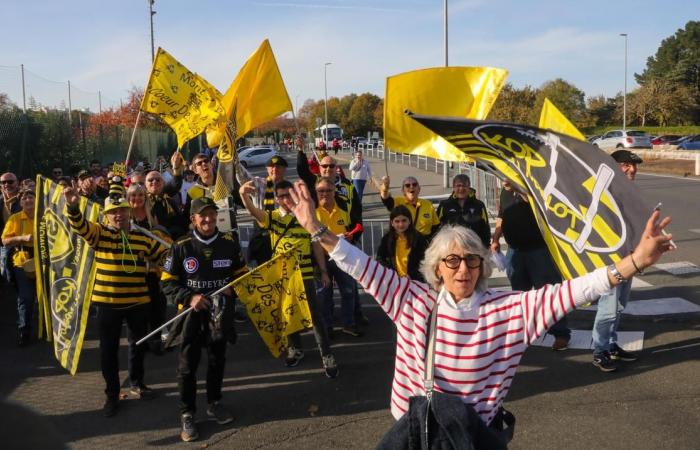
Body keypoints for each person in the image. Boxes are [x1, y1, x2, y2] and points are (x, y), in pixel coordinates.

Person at [285, 179, 674, 444]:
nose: (463, 270)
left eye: (472, 261)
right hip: (413, 435)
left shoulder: (509, 310)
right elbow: (358, 264)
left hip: (475, 439)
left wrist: (635, 262)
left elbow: (574, 291)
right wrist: (315, 227)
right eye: (451, 261)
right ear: (436, 267)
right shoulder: (412, 300)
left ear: (483, 267)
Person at [63, 178, 170, 417]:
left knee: (138, 346)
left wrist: (178, 258)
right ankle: (111, 394)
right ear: (107, 215)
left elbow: (164, 257)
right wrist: (72, 206)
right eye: (113, 212)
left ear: (129, 213)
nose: (119, 215)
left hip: (138, 302)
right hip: (108, 304)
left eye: (122, 210)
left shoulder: (143, 237)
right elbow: (80, 226)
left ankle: (137, 383)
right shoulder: (99, 235)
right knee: (108, 350)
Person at [160, 196, 248, 442]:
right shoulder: (181, 246)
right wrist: (189, 298)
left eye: (212, 214)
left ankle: (214, 402)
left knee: (216, 361)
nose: (208, 219)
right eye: (202, 215)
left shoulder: (229, 243)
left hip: (220, 315)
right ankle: (187, 413)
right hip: (191, 316)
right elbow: (166, 283)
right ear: (193, 219)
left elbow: (243, 276)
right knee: (187, 366)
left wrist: (235, 287)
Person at [239, 179, 339, 377]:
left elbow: (317, 245)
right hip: (283, 277)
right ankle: (296, 348)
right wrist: (243, 195)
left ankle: (327, 355)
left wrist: (323, 270)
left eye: (288, 194)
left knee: (314, 316)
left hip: (305, 273)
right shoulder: (273, 217)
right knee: (287, 314)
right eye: (281, 196)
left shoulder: (307, 216)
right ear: (276, 199)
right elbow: (253, 212)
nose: (285, 199)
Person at [490, 180, 572, 350]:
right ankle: (524, 330)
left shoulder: (528, 186)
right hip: (515, 251)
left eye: (506, 175)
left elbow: (534, 203)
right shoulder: (505, 193)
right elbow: (501, 217)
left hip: (538, 250)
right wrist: (496, 239)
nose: (503, 179)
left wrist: (517, 188)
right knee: (520, 294)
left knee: (549, 292)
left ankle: (560, 333)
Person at [592, 149, 645, 372]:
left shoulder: (627, 191)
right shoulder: (604, 191)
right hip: (609, 261)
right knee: (608, 309)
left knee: (619, 306)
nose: (632, 169)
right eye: (626, 165)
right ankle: (599, 350)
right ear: (613, 166)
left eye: (633, 165)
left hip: (628, 258)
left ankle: (611, 344)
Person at [314, 178, 363, 337]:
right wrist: (322, 270)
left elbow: (351, 229)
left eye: (328, 190)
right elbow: (314, 243)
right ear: (316, 193)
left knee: (349, 292)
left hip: (342, 258)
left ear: (334, 192)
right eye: (321, 191)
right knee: (324, 297)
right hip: (322, 259)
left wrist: (349, 239)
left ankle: (348, 324)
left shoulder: (343, 210)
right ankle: (327, 327)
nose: (325, 194)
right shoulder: (313, 214)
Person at [1, 189, 36, 346]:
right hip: (23, 263)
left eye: (31, 197)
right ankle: (24, 331)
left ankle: (50, 330)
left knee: (49, 298)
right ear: (21, 202)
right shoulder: (15, 219)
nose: (28, 200)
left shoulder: (46, 217)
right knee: (26, 298)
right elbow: (5, 241)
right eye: (25, 198)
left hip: (45, 263)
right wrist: (22, 238)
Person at [246, 156, 288, 266]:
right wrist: (232, 158)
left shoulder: (289, 188)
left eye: (278, 167)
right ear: (267, 169)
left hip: (282, 233)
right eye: (272, 167)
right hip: (261, 234)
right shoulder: (258, 183)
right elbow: (242, 176)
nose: (275, 169)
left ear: (284, 169)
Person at [376, 205, 428, 282]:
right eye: (397, 221)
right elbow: (380, 259)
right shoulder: (386, 239)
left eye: (404, 220)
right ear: (392, 223)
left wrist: (411, 275)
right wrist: (393, 274)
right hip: (393, 281)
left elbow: (425, 261)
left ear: (409, 221)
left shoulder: (419, 238)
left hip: (415, 282)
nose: (401, 224)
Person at [437, 174, 491, 247]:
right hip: (451, 247)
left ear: (469, 187)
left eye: (464, 186)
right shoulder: (445, 205)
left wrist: (486, 246)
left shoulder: (479, 205)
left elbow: (485, 228)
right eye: (458, 186)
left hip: (474, 247)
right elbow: (436, 227)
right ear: (453, 187)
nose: (461, 189)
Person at [1, 172, 22, 284]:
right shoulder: (0, 201)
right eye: (3, 182)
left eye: (10, 182)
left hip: (23, 244)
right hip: (4, 245)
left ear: (17, 183)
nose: (6, 184)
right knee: (6, 274)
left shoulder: (25, 199)